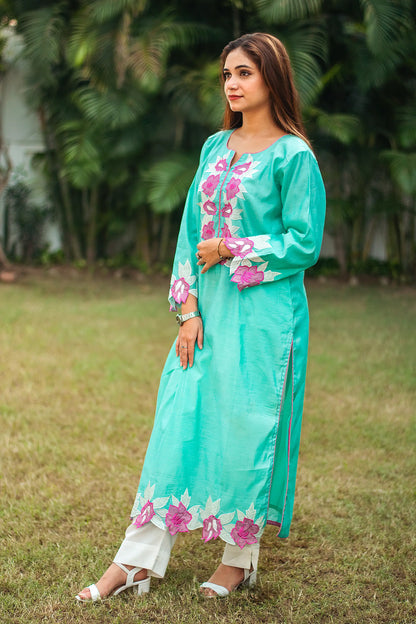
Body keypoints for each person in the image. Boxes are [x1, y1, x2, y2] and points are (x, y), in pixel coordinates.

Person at [76, 32, 326, 602]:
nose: (233, 85)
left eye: (244, 74)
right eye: (227, 75)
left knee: (248, 427)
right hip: (206, 312)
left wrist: (235, 249)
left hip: (266, 318)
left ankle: (240, 560)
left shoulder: (294, 155)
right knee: (177, 424)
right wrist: (187, 311)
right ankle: (137, 561)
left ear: (271, 78)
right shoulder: (215, 146)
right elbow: (190, 232)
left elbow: (304, 242)